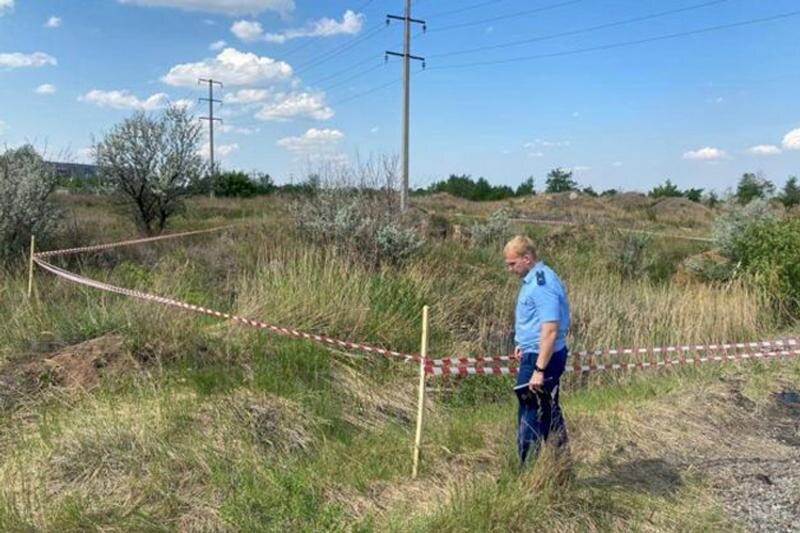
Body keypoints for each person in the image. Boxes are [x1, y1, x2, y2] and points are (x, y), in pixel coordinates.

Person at [503, 235, 571, 464]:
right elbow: (535, 322)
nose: (509, 269)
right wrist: (523, 343)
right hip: (535, 352)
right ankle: (558, 464)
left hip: (543, 357)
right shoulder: (534, 280)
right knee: (545, 409)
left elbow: (550, 329)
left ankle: (530, 469)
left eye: (512, 263)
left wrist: (539, 368)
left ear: (527, 258)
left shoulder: (542, 284)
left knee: (532, 411)